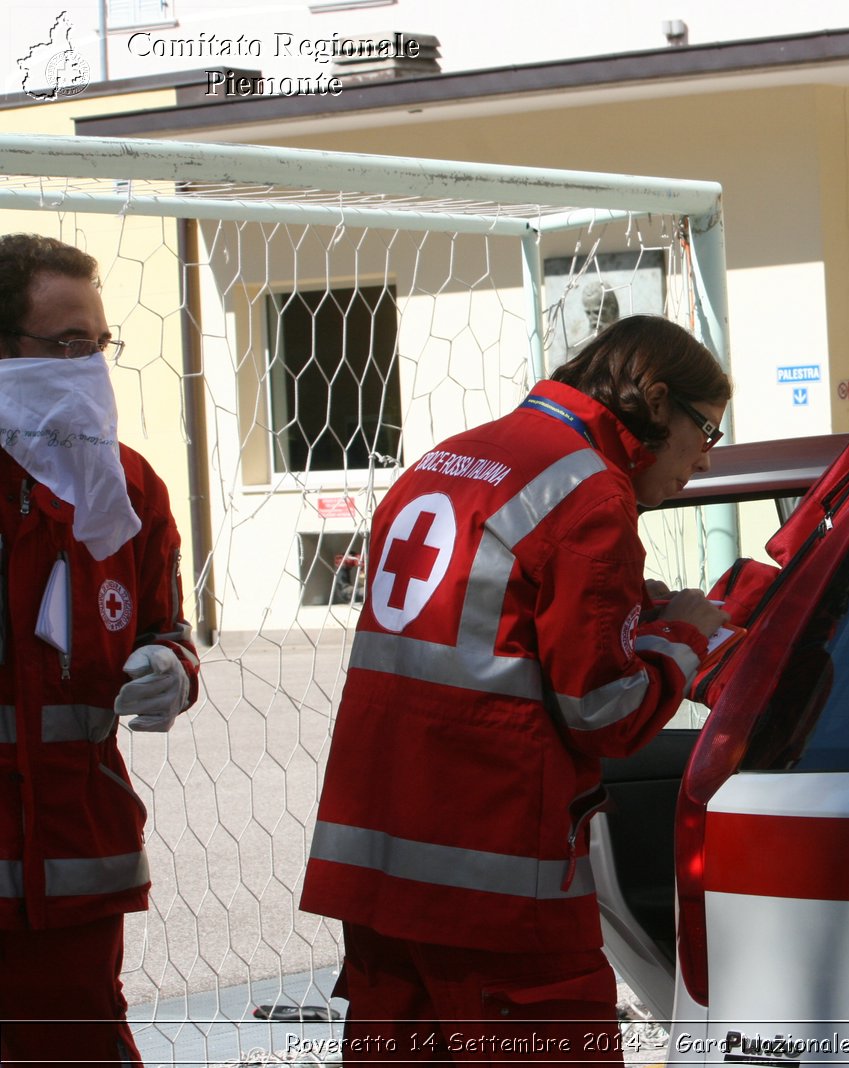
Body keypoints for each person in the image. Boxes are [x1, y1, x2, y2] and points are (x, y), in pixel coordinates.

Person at [301, 314, 730, 1060]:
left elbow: (492, 637)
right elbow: (604, 713)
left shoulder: (452, 458)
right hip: (494, 879)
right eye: (709, 432)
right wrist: (682, 637)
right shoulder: (591, 494)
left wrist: (631, 611)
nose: (704, 461)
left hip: (378, 869)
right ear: (658, 402)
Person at [0, 233, 201, 1064]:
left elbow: (166, 625)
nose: (90, 366)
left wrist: (171, 669)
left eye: (100, 344)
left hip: (79, 861)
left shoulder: (130, 486)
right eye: (67, 345)